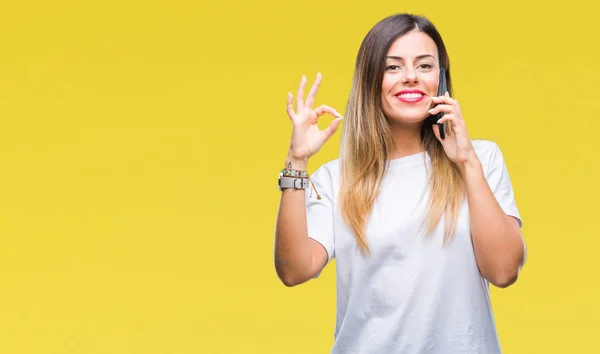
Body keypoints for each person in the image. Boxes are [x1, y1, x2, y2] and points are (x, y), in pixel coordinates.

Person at [274, 13, 527, 354]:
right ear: (370, 80)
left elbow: (504, 271)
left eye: (425, 66)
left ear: (441, 78)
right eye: (393, 67)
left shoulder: (481, 160)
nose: (410, 77)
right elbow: (294, 270)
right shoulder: (336, 179)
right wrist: (297, 161)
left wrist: (467, 162)